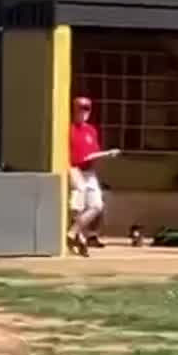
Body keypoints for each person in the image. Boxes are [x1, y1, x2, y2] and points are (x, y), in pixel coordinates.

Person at [68, 95, 118, 255]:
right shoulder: (71, 130)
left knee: (97, 206)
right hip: (76, 169)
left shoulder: (91, 130)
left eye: (86, 110)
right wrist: (107, 154)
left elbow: (93, 153)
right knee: (77, 207)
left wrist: (102, 154)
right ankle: (79, 238)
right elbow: (81, 157)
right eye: (80, 110)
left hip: (89, 172)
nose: (83, 113)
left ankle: (73, 232)